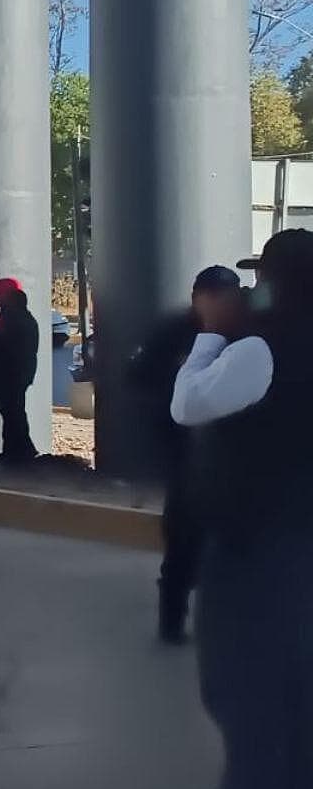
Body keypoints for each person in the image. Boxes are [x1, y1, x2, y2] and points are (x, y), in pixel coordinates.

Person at [170, 229, 313, 789]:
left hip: (256, 554)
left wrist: (211, 335)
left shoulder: (260, 350)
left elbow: (188, 403)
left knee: (250, 713)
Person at [129, 266, 234, 644]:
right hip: (184, 450)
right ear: (198, 297)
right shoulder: (172, 332)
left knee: (227, 542)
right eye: (215, 296)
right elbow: (138, 378)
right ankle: (172, 619)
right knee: (183, 539)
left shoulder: (241, 333)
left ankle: (224, 622)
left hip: (228, 455)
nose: (222, 304)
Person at [0, 277, 41, 464]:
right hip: (16, 373)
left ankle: (20, 451)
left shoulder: (11, 318)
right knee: (12, 411)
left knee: (12, 411)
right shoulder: (17, 315)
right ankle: (17, 449)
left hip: (10, 374)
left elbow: (2, 346)